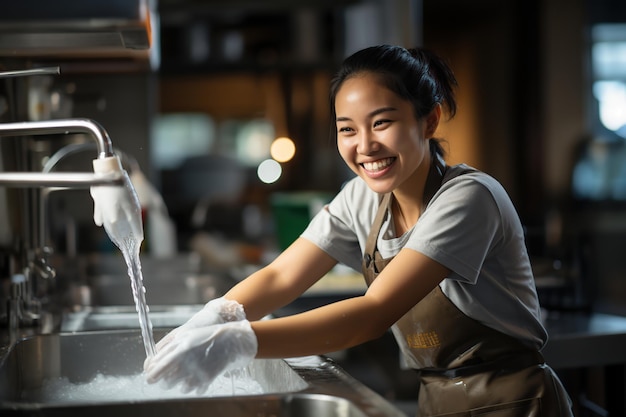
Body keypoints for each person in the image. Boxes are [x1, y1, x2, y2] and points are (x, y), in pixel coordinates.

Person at [144, 45, 573, 416]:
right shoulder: (364, 197)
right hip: (436, 398)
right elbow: (282, 275)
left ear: (429, 120)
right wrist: (218, 314)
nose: (364, 145)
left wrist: (238, 342)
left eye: (382, 122)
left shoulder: (469, 198)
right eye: (347, 129)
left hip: (514, 402)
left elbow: (374, 312)